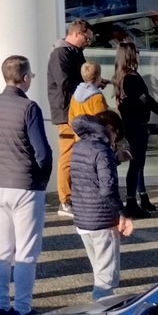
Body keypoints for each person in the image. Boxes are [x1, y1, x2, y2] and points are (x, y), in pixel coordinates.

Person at [0, 54, 53, 315]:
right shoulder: (29, 108)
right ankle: (22, 307)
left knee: (1, 248)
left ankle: (1, 304)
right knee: (26, 251)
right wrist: (41, 179)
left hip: (0, 184)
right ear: (24, 78)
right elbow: (42, 153)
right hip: (26, 184)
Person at [68, 108, 135, 299]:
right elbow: (107, 189)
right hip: (102, 220)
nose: (115, 140)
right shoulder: (102, 150)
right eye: (116, 135)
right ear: (109, 128)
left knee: (99, 271)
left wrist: (115, 159)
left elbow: (90, 175)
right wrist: (122, 213)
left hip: (83, 220)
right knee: (105, 280)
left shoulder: (79, 146)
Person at [113, 42, 158, 217]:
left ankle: (142, 196)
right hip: (137, 124)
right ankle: (131, 201)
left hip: (130, 123)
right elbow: (145, 99)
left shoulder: (120, 76)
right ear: (130, 55)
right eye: (136, 52)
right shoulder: (132, 77)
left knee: (138, 163)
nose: (139, 55)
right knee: (136, 164)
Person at [45, 20, 90, 212]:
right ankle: (65, 199)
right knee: (68, 154)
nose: (89, 41)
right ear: (77, 34)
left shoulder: (74, 52)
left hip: (74, 109)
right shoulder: (60, 53)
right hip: (65, 112)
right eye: (87, 37)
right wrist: (87, 89)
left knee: (76, 153)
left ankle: (73, 196)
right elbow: (64, 82)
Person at [59, 61, 110, 213]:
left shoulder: (76, 96)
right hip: (95, 142)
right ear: (98, 77)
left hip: (79, 140)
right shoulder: (97, 98)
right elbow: (101, 120)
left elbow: (71, 119)